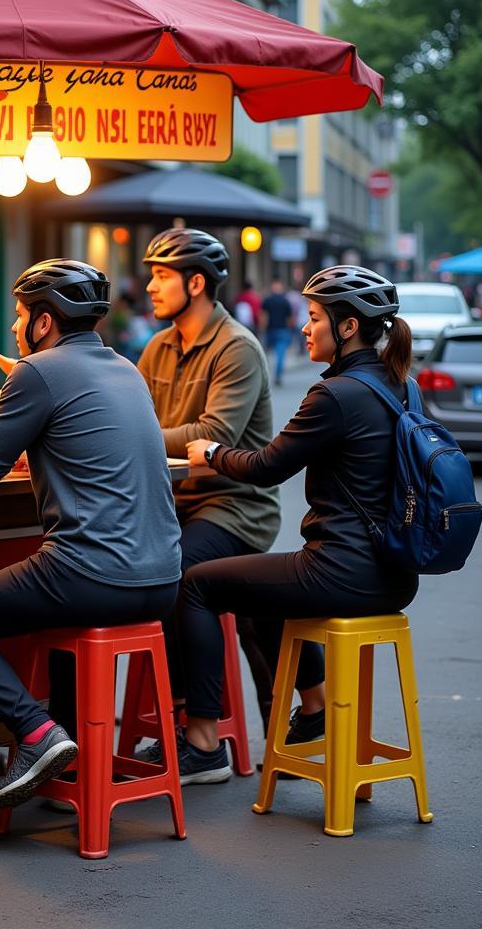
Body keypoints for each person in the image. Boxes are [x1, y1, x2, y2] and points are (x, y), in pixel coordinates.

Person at [0, 259, 182, 809]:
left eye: (19, 316)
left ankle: (36, 733)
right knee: (58, 617)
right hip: (164, 579)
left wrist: (19, 388)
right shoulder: (126, 368)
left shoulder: (37, 372)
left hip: (91, 573)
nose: (14, 327)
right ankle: (71, 760)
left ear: (43, 322)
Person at [177, 265, 418, 781]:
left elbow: (267, 465)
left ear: (348, 326)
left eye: (313, 318)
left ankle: (200, 743)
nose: (305, 328)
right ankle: (313, 712)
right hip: (395, 574)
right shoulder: (402, 386)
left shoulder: (336, 395)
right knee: (259, 587)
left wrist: (212, 451)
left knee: (195, 584)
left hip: (342, 571)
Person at [137, 228, 281, 753]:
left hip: (236, 507)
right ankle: (175, 715)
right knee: (134, 569)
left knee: (176, 574)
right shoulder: (156, 347)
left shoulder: (237, 348)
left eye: (161, 276)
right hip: (176, 507)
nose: (150, 287)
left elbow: (212, 434)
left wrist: (134, 432)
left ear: (195, 283)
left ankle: (202, 740)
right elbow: (133, 414)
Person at [261, 278, 295, 385]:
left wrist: (262, 329)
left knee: (264, 355)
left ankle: (264, 376)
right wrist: (290, 330)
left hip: (270, 330)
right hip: (282, 330)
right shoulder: (285, 301)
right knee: (280, 355)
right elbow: (290, 318)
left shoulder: (267, 300)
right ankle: (278, 376)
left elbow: (263, 316)